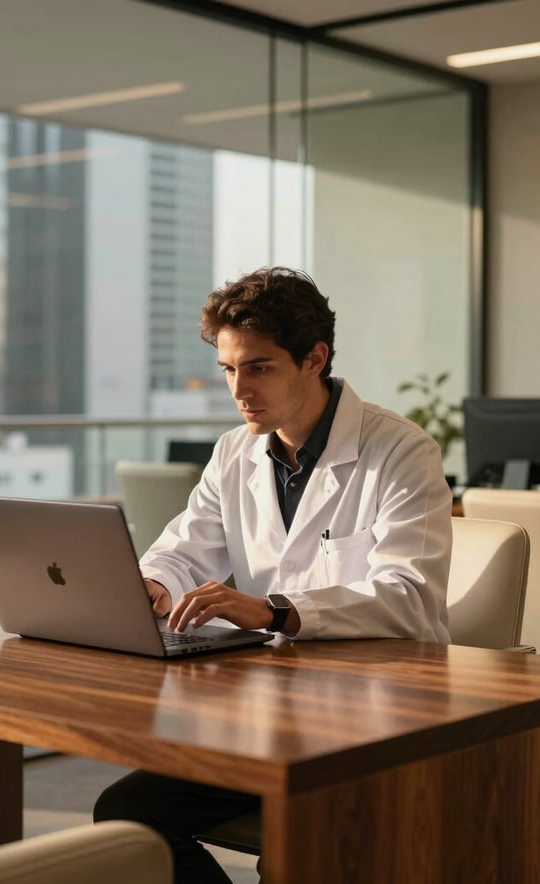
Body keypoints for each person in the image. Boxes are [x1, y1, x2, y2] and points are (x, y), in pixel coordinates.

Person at [94, 266, 453, 883]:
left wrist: (276, 610)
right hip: (269, 720)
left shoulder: (401, 451)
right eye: (230, 370)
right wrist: (153, 583)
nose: (239, 390)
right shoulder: (235, 452)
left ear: (314, 359)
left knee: (296, 851)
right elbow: (182, 551)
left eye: (259, 367)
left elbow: (410, 598)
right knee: (128, 815)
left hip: (371, 724)